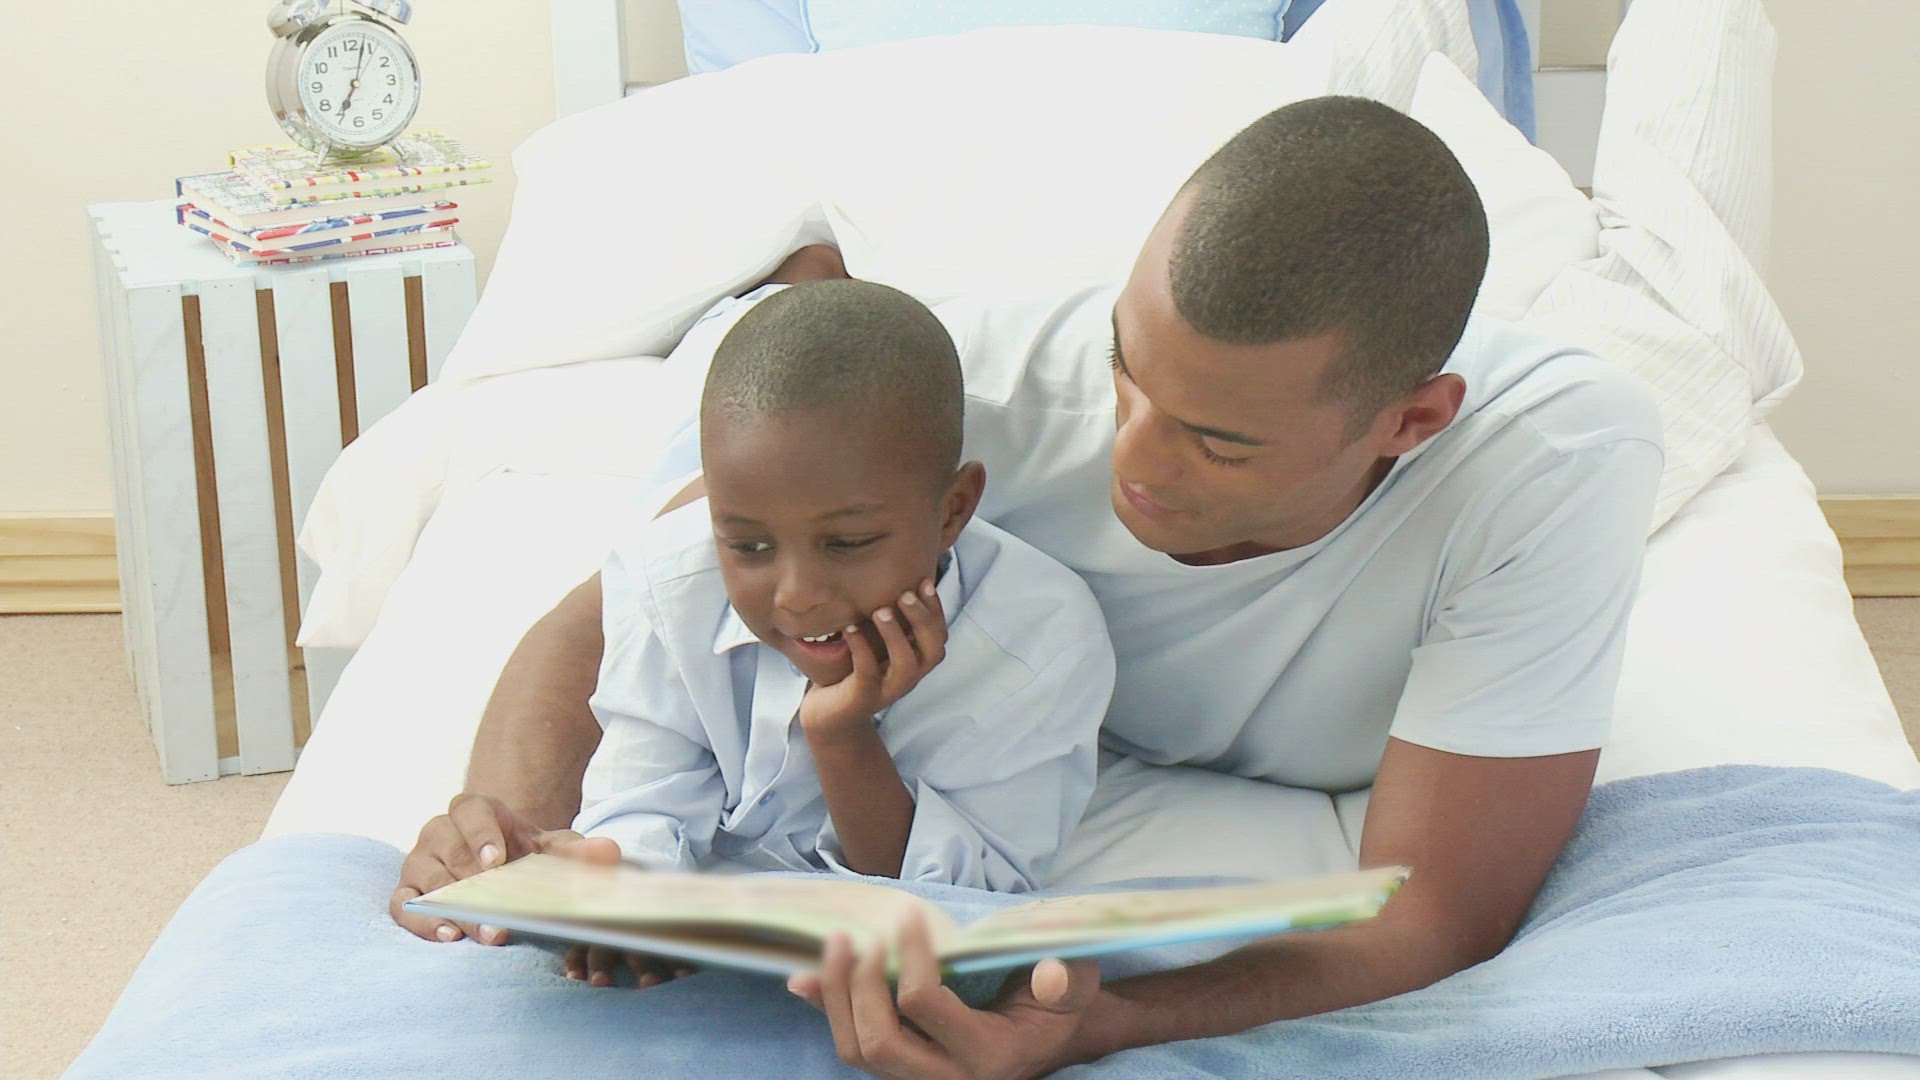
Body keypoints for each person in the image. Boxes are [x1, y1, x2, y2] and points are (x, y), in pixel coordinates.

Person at [392, 96, 1664, 1078]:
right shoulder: (959, 398)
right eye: (1127, 370)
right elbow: (613, 614)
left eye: (1217, 443)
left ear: (1411, 420)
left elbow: (1428, 915)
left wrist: (1109, 1023)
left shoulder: (1549, 471)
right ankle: (797, 274)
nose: (1133, 462)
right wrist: (509, 835)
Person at [548, 280, 1114, 984]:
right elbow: (641, 797)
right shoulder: (667, 577)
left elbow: (961, 912)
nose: (797, 596)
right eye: (748, 546)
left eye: (847, 544)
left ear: (952, 511)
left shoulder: (1041, 645)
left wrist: (842, 737)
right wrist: (621, 890)